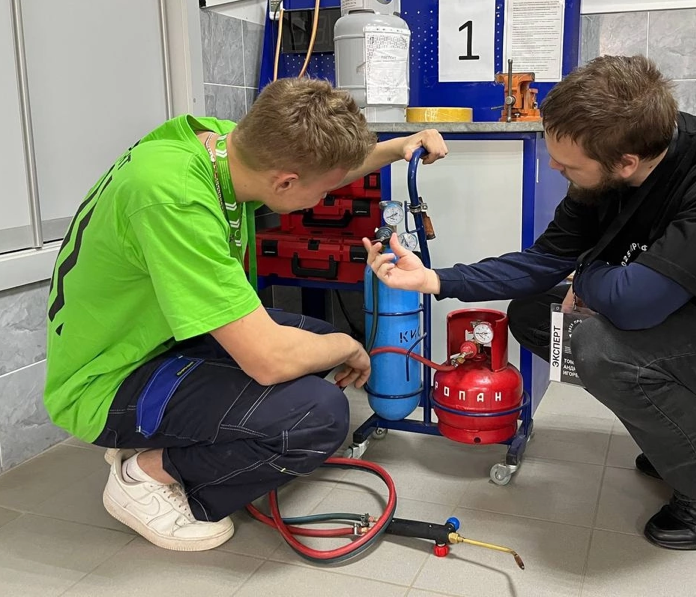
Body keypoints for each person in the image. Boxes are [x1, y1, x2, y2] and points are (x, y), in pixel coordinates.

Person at [363, 55, 696, 551]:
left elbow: (636, 304)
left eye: (568, 166)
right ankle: (692, 433)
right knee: (534, 314)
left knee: (601, 347)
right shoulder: (610, 167)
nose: (554, 167)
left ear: (625, 162)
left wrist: (586, 275)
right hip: (694, 323)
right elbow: (544, 262)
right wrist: (436, 279)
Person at [44, 78, 448, 552]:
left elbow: (318, 168)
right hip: (107, 380)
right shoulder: (175, 200)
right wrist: (349, 344)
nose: (323, 199)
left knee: (312, 341)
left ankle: (175, 435)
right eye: (320, 193)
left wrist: (398, 147)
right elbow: (269, 362)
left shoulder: (223, 146)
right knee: (317, 415)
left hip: (158, 339)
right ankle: (143, 476)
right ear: (285, 182)